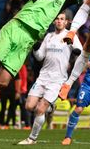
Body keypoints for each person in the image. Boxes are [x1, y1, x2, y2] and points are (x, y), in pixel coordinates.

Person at [18, 12, 82, 145]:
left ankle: (32, 138)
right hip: (43, 77)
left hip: (58, 79)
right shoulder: (48, 36)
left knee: (40, 109)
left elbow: (79, 50)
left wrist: (75, 50)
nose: (59, 21)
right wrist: (35, 49)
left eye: (62, 19)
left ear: (66, 22)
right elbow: (40, 57)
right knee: (29, 106)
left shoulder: (71, 35)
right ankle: (50, 108)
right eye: (57, 19)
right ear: (54, 22)